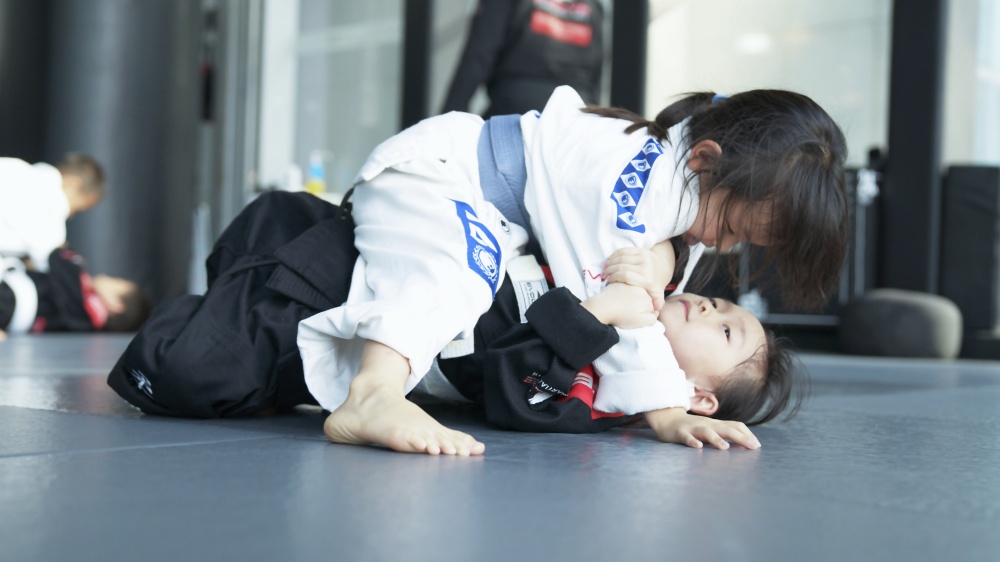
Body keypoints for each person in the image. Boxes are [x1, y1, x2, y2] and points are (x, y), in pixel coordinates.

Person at [297, 84, 847, 455]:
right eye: (731, 227)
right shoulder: (630, 190)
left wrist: (660, 260)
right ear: (705, 160)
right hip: (435, 177)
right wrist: (667, 413)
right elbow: (630, 309)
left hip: (487, 209)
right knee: (455, 273)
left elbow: (651, 282)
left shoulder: (680, 182)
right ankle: (373, 392)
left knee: (474, 281)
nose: (722, 245)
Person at [106, 192, 798, 453]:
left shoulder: (601, 396)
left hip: (354, 319)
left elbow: (514, 386)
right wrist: (646, 272)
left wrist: (600, 319)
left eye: (727, 330)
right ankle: (258, 268)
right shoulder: (638, 271)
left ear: (701, 396)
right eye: (722, 303)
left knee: (179, 376)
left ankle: (246, 278)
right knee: (192, 365)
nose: (712, 307)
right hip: (362, 262)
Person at [441, 0, 604, 117]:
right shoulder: (592, 8)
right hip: (573, 120)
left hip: (514, 117)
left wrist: (448, 118)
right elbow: (595, 77)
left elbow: (477, 57)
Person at [0, 249, 149, 340]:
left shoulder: (83, 301)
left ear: (116, 305)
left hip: (11, 297)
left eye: (117, 281)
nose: (108, 277)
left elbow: (60, 256)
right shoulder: (86, 327)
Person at [0, 153, 106, 272]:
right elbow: (49, 262)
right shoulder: (51, 210)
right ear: (73, 184)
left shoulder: (15, 166)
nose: (71, 216)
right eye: (76, 209)